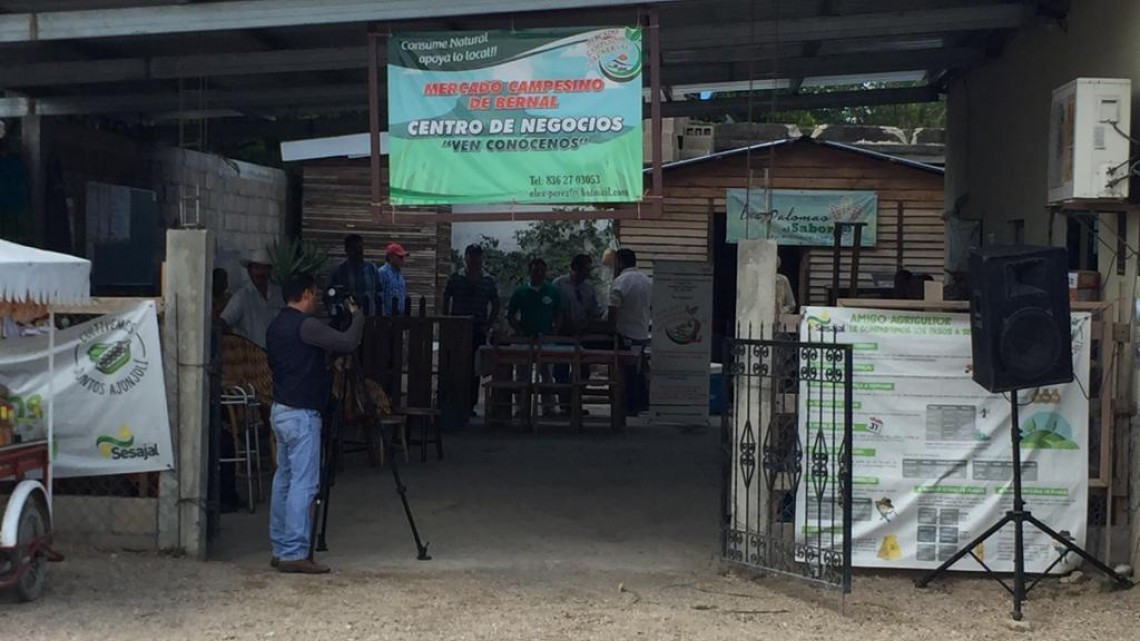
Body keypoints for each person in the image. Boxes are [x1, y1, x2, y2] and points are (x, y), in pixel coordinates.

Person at [265, 272, 364, 574]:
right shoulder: (305, 326)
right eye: (315, 295)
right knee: (304, 483)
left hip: (281, 408)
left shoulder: (276, 325)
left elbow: (303, 357)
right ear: (306, 294)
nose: (318, 301)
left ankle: (280, 547)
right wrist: (358, 315)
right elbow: (347, 342)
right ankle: (295, 552)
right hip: (302, 414)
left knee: (284, 480)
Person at [443, 244, 501, 415]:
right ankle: (456, 403)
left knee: (475, 369)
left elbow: (495, 303)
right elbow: (446, 298)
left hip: (478, 329)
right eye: (471, 256)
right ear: (466, 257)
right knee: (457, 367)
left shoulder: (488, 280)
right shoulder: (456, 277)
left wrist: (488, 324)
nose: (474, 259)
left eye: (477, 256)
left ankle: (470, 405)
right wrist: (448, 321)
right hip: (458, 329)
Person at [507, 258, 562, 417]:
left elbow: (559, 314)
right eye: (535, 271)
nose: (539, 274)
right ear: (529, 272)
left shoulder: (552, 291)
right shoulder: (521, 291)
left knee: (547, 374)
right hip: (526, 339)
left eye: (542, 271)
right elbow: (510, 315)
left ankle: (548, 407)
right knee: (522, 375)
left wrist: (554, 332)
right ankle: (521, 407)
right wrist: (519, 331)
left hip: (546, 339)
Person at [552, 254, 602, 413]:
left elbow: (594, 310)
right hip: (563, 332)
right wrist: (567, 324)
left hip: (582, 333)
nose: (588, 273)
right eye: (586, 269)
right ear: (576, 269)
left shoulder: (588, 287)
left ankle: (575, 401)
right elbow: (556, 308)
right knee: (561, 369)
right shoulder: (559, 284)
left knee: (583, 369)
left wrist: (584, 324)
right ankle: (565, 404)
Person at [609, 248, 652, 415]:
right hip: (642, 333)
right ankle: (639, 404)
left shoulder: (621, 281)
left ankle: (629, 405)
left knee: (625, 372)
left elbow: (613, 309)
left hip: (624, 334)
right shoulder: (647, 281)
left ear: (619, 262)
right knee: (637, 369)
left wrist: (610, 329)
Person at [220, 248, 283, 349]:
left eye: (264, 268)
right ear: (249, 271)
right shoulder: (241, 297)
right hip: (249, 355)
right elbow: (224, 322)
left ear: (270, 271)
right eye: (256, 268)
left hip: (276, 353)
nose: (260, 272)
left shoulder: (279, 293)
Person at [329, 234, 380, 316]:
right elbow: (329, 295)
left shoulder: (371, 268)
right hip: (346, 318)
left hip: (368, 317)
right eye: (354, 248)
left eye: (360, 247)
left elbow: (379, 292)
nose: (358, 251)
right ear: (346, 250)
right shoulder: (338, 271)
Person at [378, 243, 409, 316]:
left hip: (400, 316)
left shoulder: (399, 273)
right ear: (390, 257)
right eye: (400, 257)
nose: (402, 259)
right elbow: (380, 296)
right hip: (388, 316)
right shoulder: (383, 272)